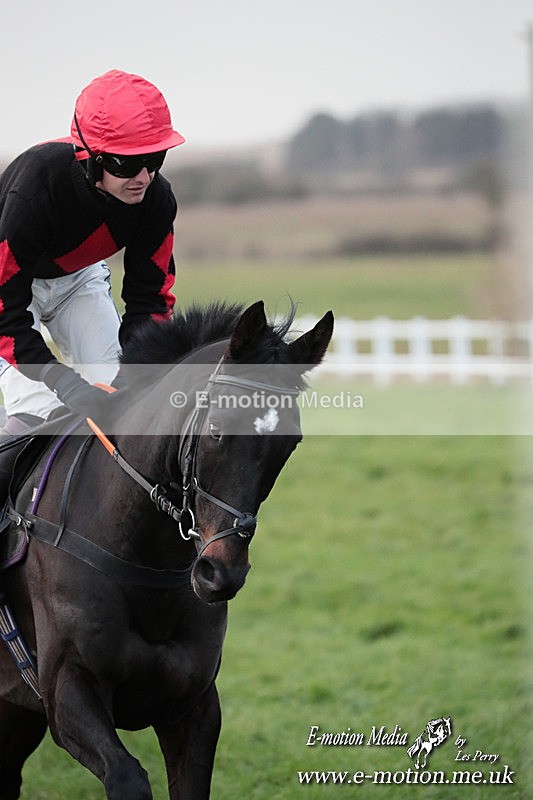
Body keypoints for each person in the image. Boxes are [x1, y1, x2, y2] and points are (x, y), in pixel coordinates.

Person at [0, 69, 185, 436]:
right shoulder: (34, 193)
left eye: (155, 159)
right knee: (36, 416)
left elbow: (150, 302)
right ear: (89, 157)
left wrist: (135, 374)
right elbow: (7, 315)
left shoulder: (156, 200)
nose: (144, 177)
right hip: (8, 294)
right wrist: (63, 382)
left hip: (78, 278)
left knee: (123, 406)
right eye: (127, 164)